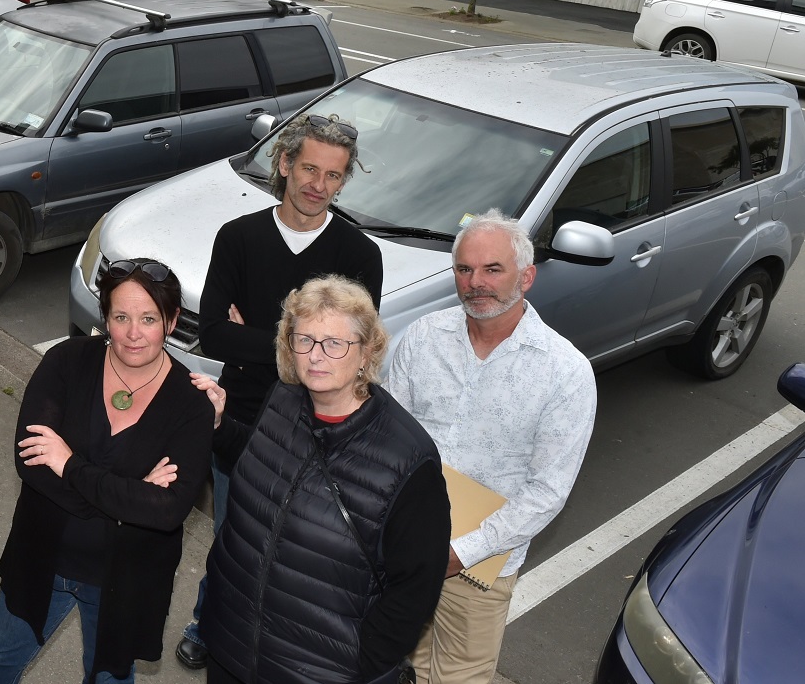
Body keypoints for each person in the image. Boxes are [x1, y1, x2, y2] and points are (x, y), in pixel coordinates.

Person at [175, 112, 384, 670]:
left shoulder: (360, 256)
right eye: (309, 168)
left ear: (344, 182)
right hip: (239, 418)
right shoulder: (238, 237)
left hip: (320, 428)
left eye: (334, 176)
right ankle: (207, 624)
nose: (318, 184)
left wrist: (262, 336)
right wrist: (304, 345)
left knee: (298, 551)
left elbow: (352, 352)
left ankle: (279, 645)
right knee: (232, 536)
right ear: (285, 164)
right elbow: (214, 333)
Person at [0, 259, 213, 684]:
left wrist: (68, 463)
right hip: (42, 556)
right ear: (106, 318)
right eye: (121, 317)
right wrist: (131, 497)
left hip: (125, 580)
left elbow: (168, 512)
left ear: (172, 321)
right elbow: (31, 461)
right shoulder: (67, 361)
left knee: (109, 679)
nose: (133, 333)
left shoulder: (191, 405)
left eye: (149, 319)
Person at [199, 275, 450, 684]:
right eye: (304, 340)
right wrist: (219, 427)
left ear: (366, 352)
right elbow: (260, 458)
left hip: (317, 673)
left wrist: (358, 664)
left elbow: (416, 590)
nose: (316, 356)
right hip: (232, 647)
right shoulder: (282, 398)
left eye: (335, 343)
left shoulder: (409, 460)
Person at [382, 210, 596, 684]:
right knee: (397, 661)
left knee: (459, 676)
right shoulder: (422, 339)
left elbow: (547, 491)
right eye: (464, 269)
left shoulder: (566, 373)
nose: (475, 282)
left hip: (479, 566)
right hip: (402, 543)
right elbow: (387, 437)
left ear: (527, 276)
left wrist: (463, 551)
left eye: (492, 269)